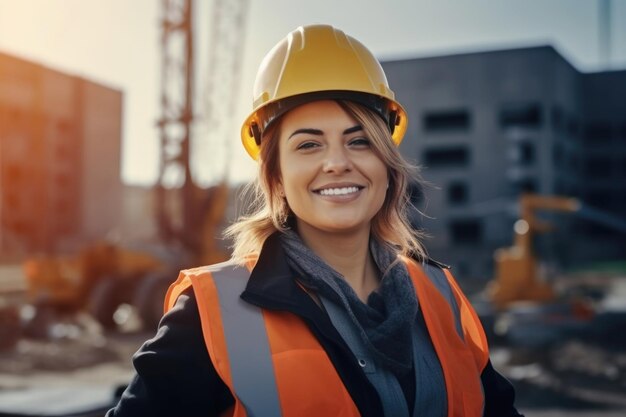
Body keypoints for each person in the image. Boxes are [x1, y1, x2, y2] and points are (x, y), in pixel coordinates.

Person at [107, 24, 523, 417]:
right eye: (308, 144)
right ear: (277, 177)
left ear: (387, 163)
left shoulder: (441, 296)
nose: (337, 163)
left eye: (359, 140)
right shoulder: (213, 311)